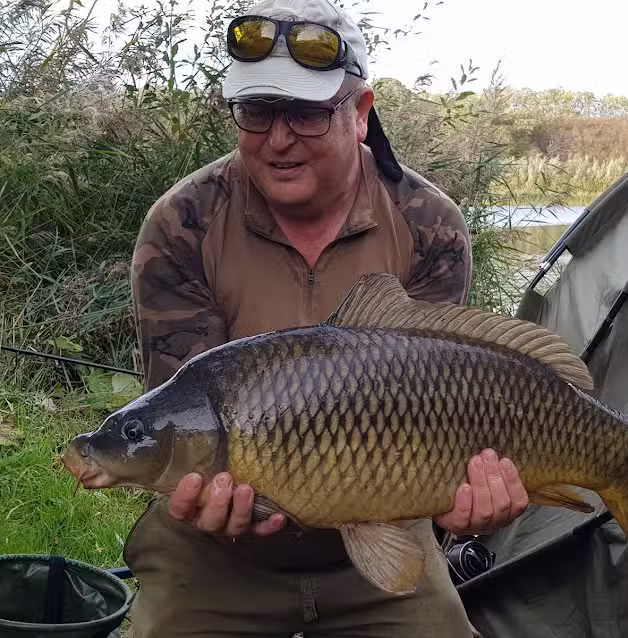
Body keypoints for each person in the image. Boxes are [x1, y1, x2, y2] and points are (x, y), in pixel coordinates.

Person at [124, 0, 529, 635]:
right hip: (215, 550)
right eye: (257, 113)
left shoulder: (428, 224)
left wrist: (469, 502)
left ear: (360, 113)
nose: (278, 140)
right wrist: (210, 495)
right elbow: (180, 412)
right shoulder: (182, 224)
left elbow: (448, 397)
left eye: (308, 114)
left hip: (384, 532)